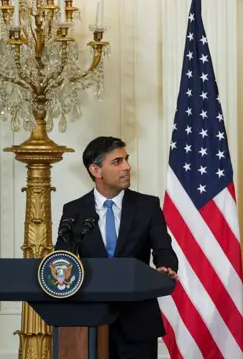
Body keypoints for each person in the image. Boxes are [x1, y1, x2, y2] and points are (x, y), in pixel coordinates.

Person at [54, 136, 178, 359]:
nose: (127, 167)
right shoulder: (74, 211)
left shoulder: (147, 206)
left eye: (126, 159)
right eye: (117, 161)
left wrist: (166, 267)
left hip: (138, 322)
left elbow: (163, 250)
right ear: (96, 170)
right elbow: (62, 258)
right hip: (89, 323)